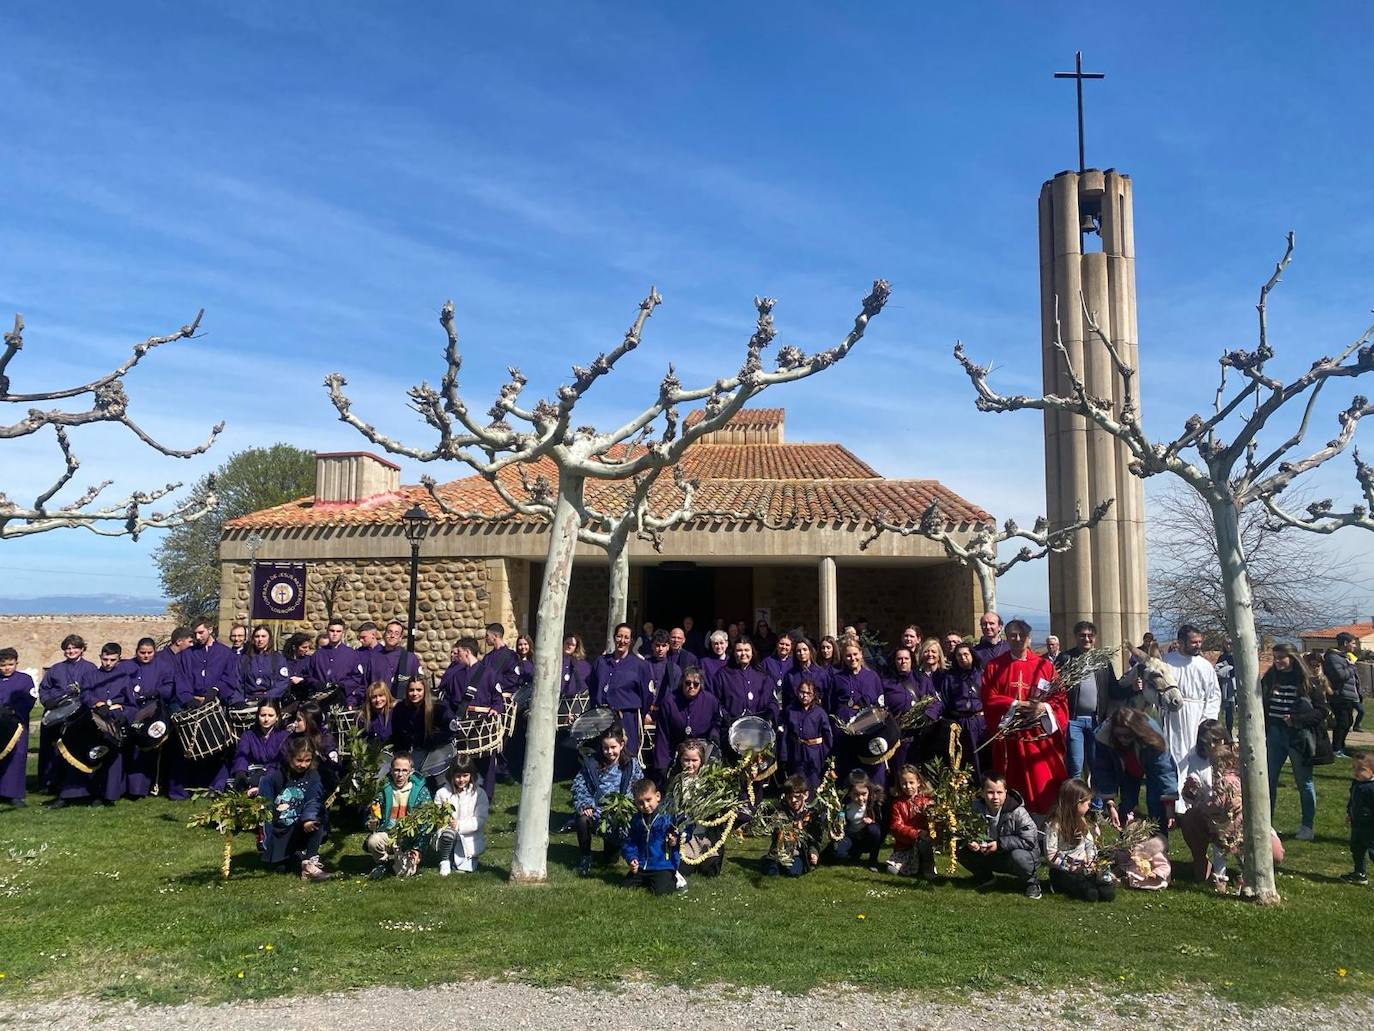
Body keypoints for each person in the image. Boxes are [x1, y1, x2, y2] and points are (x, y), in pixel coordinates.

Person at [981, 618, 1067, 816]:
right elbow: (988, 697)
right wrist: (1016, 704)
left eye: (1021, 635)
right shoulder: (994, 667)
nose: (1017, 639)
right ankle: (1010, 821)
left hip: (1037, 736)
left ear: (1029, 638)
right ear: (1006, 637)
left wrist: (1043, 707)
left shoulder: (1044, 666)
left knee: (1041, 779)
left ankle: (1046, 819)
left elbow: (1059, 697)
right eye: (1012, 635)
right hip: (1009, 736)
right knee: (1011, 781)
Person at [1262, 642, 1329, 841]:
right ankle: (1267, 824)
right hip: (1274, 734)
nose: (1277, 662)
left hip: (1298, 737)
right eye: (1275, 658)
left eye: (1281, 657)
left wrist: (1297, 721)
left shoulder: (1307, 681)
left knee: (1304, 782)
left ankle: (1307, 825)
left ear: (1292, 657)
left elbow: (1321, 711)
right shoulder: (1270, 678)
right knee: (1268, 780)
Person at [1057, 620, 1120, 798]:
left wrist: (1134, 687)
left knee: (1096, 764)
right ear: (1075, 637)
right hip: (1074, 720)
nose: (1086, 639)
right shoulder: (1066, 658)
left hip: (1096, 721)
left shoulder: (1102, 660)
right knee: (1076, 765)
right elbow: (1055, 686)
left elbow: (1114, 688)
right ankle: (1075, 804)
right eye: (1082, 635)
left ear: (1095, 638)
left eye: (1090, 636)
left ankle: (1098, 806)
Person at [958, 770, 1042, 899]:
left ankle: (1032, 883)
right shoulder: (974, 808)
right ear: (982, 793)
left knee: (1018, 856)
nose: (995, 797)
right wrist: (971, 841)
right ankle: (985, 877)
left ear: (1006, 792)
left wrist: (1000, 844)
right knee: (959, 846)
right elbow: (962, 829)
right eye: (990, 792)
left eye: (999, 792)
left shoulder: (1018, 811)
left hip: (1016, 855)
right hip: (988, 853)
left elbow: (1030, 838)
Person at [571, 724, 641, 876]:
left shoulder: (631, 764)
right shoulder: (592, 764)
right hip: (597, 812)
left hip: (620, 815)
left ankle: (619, 850)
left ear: (621, 745)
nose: (609, 752)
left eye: (613, 747)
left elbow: (639, 788)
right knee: (583, 820)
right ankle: (585, 856)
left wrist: (627, 805)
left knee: (610, 859)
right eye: (605, 748)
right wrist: (585, 804)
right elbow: (579, 787)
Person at [258, 736, 331, 881]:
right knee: (282, 868)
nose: (302, 765)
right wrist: (265, 839)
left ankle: (310, 862)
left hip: (302, 827)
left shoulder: (313, 776)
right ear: (290, 757)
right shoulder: (276, 777)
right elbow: (266, 809)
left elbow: (314, 799)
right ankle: (300, 860)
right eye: (299, 760)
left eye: (307, 761)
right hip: (281, 831)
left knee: (318, 818)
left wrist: (309, 818)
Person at [1093, 707, 1179, 830]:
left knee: (1156, 804)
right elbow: (1104, 771)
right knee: (1127, 804)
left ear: (1135, 731)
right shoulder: (1104, 738)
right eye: (1119, 735)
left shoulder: (1152, 737)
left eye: (1127, 735)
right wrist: (1110, 805)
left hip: (1151, 764)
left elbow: (1164, 771)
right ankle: (1126, 841)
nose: (1123, 739)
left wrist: (1170, 810)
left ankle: (1159, 841)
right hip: (1128, 769)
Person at [38, 634, 98, 794]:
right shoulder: (56, 669)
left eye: (74, 648)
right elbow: (44, 688)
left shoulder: (90, 668)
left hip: (78, 715)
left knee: (74, 748)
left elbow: (94, 689)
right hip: (57, 712)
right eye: (67, 648)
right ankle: (49, 782)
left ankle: (76, 783)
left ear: (82, 649)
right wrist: (47, 700)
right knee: (52, 749)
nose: (70, 651)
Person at [1159, 624, 1222, 774]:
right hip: (1174, 716)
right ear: (1181, 642)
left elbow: (1213, 695)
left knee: (1199, 757)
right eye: (1194, 642)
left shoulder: (1205, 666)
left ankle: (1200, 794)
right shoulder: (1167, 662)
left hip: (1199, 715)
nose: (1198, 645)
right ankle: (1176, 794)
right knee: (1175, 753)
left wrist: (1207, 720)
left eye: (1200, 642)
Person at [1044, 779, 1116, 902]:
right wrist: (1073, 867)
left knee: (1107, 893)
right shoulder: (1054, 826)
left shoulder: (1084, 822)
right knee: (1087, 891)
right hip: (1063, 870)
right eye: (1087, 802)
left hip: (1084, 868)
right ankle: (1069, 886)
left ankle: (1095, 885)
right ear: (1076, 803)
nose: (1089, 806)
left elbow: (1090, 845)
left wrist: (1091, 860)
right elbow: (1051, 856)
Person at [364, 750, 433, 879]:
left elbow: (426, 823)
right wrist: (371, 822)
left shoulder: (421, 792)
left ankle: (401, 860)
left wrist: (418, 849)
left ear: (411, 771)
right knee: (373, 841)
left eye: (404, 770)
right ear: (391, 771)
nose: (400, 774)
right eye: (396, 770)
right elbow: (372, 813)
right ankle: (382, 863)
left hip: (408, 839)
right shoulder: (384, 789)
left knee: (405, 874)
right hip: (387, 834)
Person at [590, 623, 653, 762]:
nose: (622, 641)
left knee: (627, 753)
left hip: (627, 716)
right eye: (619, 636)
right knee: (604, 752)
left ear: (631, 641)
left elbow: (647, 694)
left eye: (626, 637)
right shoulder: (601, 662)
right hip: (603, 715)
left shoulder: (639, 665)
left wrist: (642, 713)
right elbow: (593, 687)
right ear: (614, 638)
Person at [829, 639, 885, 780]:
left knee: (871, 770)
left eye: (855, 654)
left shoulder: (873, 677)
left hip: (868, 729)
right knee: (847, 770)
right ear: (843, 657)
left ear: (861, 654)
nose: (852, 658)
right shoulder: (837, 679)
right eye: (848, 655)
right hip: (845, 732)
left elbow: (880, 705)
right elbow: (830, 705)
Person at [653, 666, 720, 779]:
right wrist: (662, 764)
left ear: (701, 685)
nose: (691, 687)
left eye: (696, 684)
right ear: (682, 683)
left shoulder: (711, 701)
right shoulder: (669, 702)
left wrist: (714, 735)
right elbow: (662, 734)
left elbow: (717, 721)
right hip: (676, 751)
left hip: (703, 751)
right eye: (687, 683)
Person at [671, 738, 726, 877]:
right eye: (686, 760)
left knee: (711, 871)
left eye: (694, 760)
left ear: (701, 760)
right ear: (680, 760)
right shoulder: (675, 781)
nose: (690, 764)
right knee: (683, 870)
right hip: (685, 835)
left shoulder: (709, 782)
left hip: (705, 835)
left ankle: (705, 859)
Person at [714, 637, 777, 757]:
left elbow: (772, 701)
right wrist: (726, 716)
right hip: (733, 733)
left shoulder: (763, 675)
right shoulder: (722, 675)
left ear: (752, 652)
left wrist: (769, 713)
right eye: (739, 650)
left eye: (747, 650)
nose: (743, 654)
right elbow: (716, 702)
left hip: (759, 733)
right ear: (733, 653)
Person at [621, 777, 684, 895]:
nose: (645, 805)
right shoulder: (636, 820)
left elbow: (682, 831)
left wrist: (675, 840)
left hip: (662, 865)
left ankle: (675, 878)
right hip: (641, 865)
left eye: (648, 800)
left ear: (658, 796)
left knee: (662, 892)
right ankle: (647, 880)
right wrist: (631, 858)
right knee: (626, 886)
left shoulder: (667, 816)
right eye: (640, 802)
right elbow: (630, 842)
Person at [938, 641, 987, 783]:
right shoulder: (950, 678)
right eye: (959, 655)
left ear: (972, 655)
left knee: (982, 757)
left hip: (980, 721)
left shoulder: (982, 675)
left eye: (966, 654)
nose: (962, 658)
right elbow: (945, 702)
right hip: (960, 724)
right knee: (965, 759)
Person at [391, 678, 454, 786]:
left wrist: (432, 739)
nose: (415, 693)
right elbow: (397, 733)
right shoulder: (400, 708)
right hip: (411, 752)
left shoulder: (439, 707)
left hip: (437, 752)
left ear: (425, 690)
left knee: (439, 784)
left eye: (419, 690)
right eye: (411, 690)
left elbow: (450, 730)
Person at [433, 757, 489, 876]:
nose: (461, 779)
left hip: (468, 838)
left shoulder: (479, 794)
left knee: (463, 870)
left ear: (471, 775)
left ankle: (462, 859)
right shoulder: (442, 793)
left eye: (465, 775)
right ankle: (445, 860)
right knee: (448, 834)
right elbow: (437, 815)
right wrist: (446, 822)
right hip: (449, 833)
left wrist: (460, 825)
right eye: (458, 776)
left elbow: (480, 819)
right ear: (451, 775)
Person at [763, 775, 824, 877]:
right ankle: (769, 861)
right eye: (790, 797)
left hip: (797, 853)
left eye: (797, 796)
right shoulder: (780, 811)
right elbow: (774, 831)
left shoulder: (812, 814)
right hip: (779, 851)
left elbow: (815, 838)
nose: (794, 800)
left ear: (805, 795)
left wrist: (814, 853)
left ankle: (791, 864)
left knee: (794, 872)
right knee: (772, 873)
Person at [886, 764, 936, 881]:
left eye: (911, 782)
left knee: (924, 843)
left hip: (923, 844)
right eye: (904, 783)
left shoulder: (927, 802)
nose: (907, 786)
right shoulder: (897, 804)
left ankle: (927, 867)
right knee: (891, 870)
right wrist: (916, 833)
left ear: (918, 782)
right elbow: (896, 827)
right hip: (904, 847)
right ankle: (916, 867)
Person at [0, 648, 37, 806]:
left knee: (17, 756)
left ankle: (14, 794)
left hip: (17, 725)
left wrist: (14, 711)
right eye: (3, 665)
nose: (7, 668)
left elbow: (29, 700)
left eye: (10, 664)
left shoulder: (24, 679)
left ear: (17, 663)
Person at [231, 698, 289, 792]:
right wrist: (240, 772)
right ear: (257, 716)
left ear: (277, 717)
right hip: (254, 773)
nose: (266, 719)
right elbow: (241, 756)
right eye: (263, 715)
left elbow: (283, 762)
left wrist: (266, 772)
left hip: (275, 774)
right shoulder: (248, 735)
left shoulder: (284, 736)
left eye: (270, 715)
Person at [782, 679, 832, 788]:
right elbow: (785, 734)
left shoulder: (820, 713)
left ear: (813, 695)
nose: (804, 696)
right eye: (802, 692)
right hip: (796, 752)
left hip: (814, 753)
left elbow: (827, 736)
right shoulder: (790, 710)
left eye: (808, 693)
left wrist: (825, 755)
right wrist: (784, 755)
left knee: (813, 782)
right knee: (797, 783)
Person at [307, 618, 366, 707]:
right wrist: (318, 685)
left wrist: (341, 686)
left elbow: (358, 679)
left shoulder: (352, 655)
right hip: (320, 702)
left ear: (343, 633)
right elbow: (308, 676)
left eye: (338, 631)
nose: (335, 634)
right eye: (332, 631)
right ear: (327, 631)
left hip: (342, 701)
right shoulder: (318, 654)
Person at [833, 770, 884, 869]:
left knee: (874, 829)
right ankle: (853, 853)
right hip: (850, 836)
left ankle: (873, 860)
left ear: (869, 791)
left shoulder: (874, 803)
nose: (860, 798)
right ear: (850, 793)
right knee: (837, 855)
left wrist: (872, 821)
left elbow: (881, 823)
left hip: (866, 836)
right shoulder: (844, 804)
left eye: (863, 794)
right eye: (856, 794)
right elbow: (840, 821)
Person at [1325, 632, 1362, 759]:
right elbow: (1340, 676)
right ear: (1345, 643)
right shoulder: (1333, 657)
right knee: (1342, 722)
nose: (1354, 646)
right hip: (1339, 695)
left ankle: (1341, 746)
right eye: (1352, 643)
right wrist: (1351, 667)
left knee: (1348, 722)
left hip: (1348, 695)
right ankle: (1336, 748)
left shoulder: (1344, 656)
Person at [1341, 751, 1374, 885]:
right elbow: (1353, 801)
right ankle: (1360, 873)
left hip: (1370, 826)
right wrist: (1350, 813)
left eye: (1361, 769)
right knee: (1356, 848)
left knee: (1372, 850)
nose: (1356, 772)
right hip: (1357, 824)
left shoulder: (1371, 788)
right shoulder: (1356, 784)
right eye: (1354, 768)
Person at [368, 620, 422, 697]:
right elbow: (366, 684)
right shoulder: (374, 658)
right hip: (379, 702)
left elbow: (419, 682)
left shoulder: (410, 658)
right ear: (384, 635)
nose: (392, 635)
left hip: (403, 703)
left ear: (400, 638)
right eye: (389, 632)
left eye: (396, 633)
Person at [238, 625, 288, 706]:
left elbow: (282, 682)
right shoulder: (244, 659)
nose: (260, 639)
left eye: (263, 636)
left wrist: (267, 697)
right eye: (257, 636)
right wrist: (239, 701)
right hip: (248, 701)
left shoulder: (278, 659)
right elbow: (238, 682)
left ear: (269, 638)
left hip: (270, 702)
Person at [784, 638, 832, 710]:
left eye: (805, 649)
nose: (802, 653)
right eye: (798, 651)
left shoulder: (822, 674)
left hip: (817, 714)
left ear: (810, 651)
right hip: (795, 714)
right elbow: (786, 700)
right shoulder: (790, 675)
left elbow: (827, 699)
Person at [361, 680, 395, 745]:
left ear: (387, 695)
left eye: (381, 695)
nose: (378, 700)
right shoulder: (364, 717)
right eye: (374, 697)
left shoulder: (395, 712)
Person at [1216, 637, 1237, 736]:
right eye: (1226, 644)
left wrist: (1227, 669)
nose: (1228, 646)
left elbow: (1235, 671)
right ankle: (1228, 732)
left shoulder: (1237, 656)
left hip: (1235, 686)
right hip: (1224, 686)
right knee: (1227, 711)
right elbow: (1217, 670)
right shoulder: (1222, 657)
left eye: (1230, 644)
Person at [762, 633, 793, 701]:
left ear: (791, 647)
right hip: (770, 700)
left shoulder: (794, 663)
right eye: (781, 644)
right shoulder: (767, 662)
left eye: (787, 645)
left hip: (789, 701)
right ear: (777, 644)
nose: (784, 647)